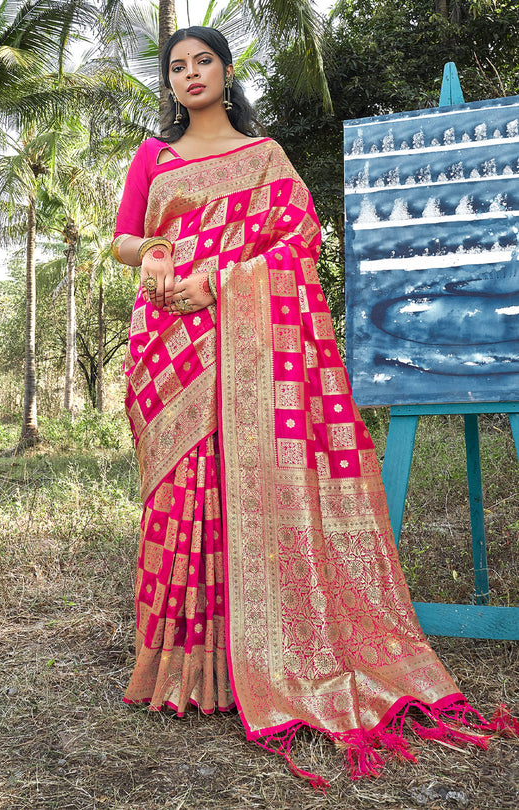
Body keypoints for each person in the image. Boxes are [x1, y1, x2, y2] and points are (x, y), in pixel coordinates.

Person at [112, 26, 514, 789]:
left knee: (249, 490)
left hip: (250, 344)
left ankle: (267, 658)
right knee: (184, 494)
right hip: (173, 350)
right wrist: (157, 255)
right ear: (168, 84)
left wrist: (218, 283)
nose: (190, 74)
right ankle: (191, 670)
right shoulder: (151, 158)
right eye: (177, 67)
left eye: (203, 62)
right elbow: (124, 240)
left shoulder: (266, 160)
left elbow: (296, 244)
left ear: (227, 75)